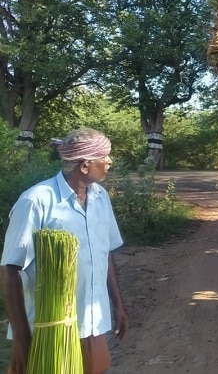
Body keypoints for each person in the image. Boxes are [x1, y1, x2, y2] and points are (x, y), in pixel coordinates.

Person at [1, 127, 129, 374]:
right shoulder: (36, 200)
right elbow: (9, 269)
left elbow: (106, 253)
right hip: (47, 327)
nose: (110, 161)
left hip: (91, 321)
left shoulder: (101, 197)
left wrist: (118, 305)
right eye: (105, 156)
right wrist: (20, 337)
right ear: (84, 166)